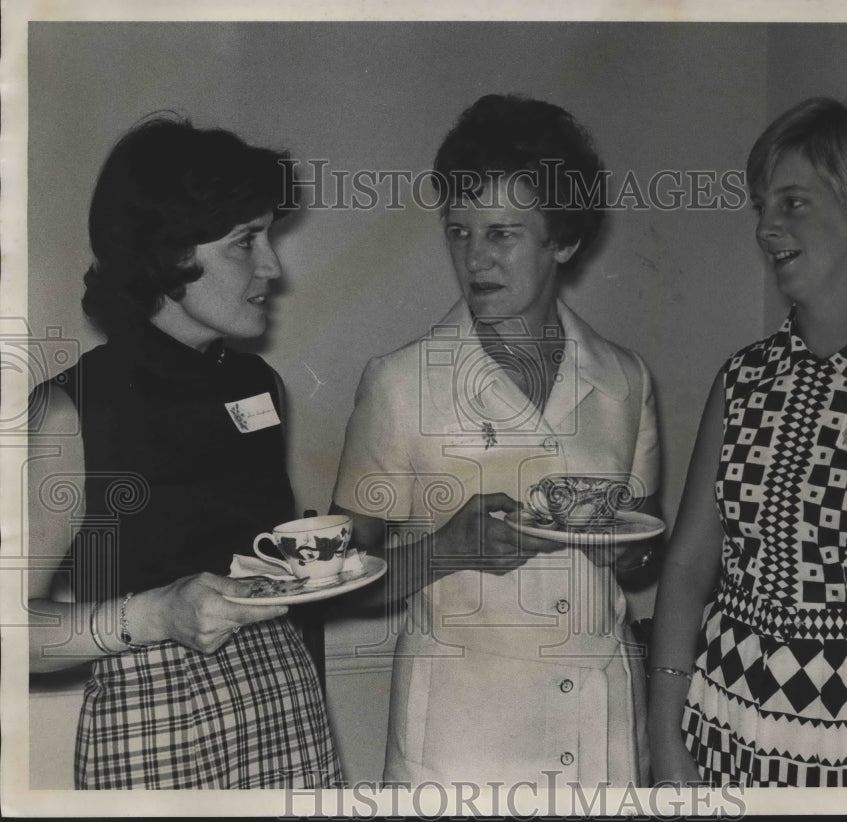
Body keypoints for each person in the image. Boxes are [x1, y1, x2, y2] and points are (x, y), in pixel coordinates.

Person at [331, 94, 665, 786]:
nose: (475, 258)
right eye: (460, 231)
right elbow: (339, 582)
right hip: (462, 742)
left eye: (503, 233)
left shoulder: (625, 378)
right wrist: (443, 552)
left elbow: (639, 554)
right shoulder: (399, 384)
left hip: (598, 733)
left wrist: (634, 552)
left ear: (563, 240)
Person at [646, 97, 847, 787]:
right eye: (762, 206)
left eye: (793, 203)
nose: (767, 227)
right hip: (721, 719)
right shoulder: (741, 378)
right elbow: (686, 567)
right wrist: (664, 732)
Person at [27, 116, 343, 789]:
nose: (273, 268)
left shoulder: (259, 386)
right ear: (170, 255)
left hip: (283, 695)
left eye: (270, 237)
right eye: (245, 242)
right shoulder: (70, 410)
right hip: (154, 719)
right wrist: (155, 614)